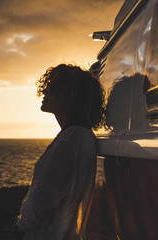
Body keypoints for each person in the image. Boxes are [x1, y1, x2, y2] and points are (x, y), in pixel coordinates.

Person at [16, 64, 105, 239]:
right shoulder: (78, 135)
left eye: (51, 87)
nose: (44, 91)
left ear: (69, 94)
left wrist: (19, 229)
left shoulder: (72, 139)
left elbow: (42, 200)